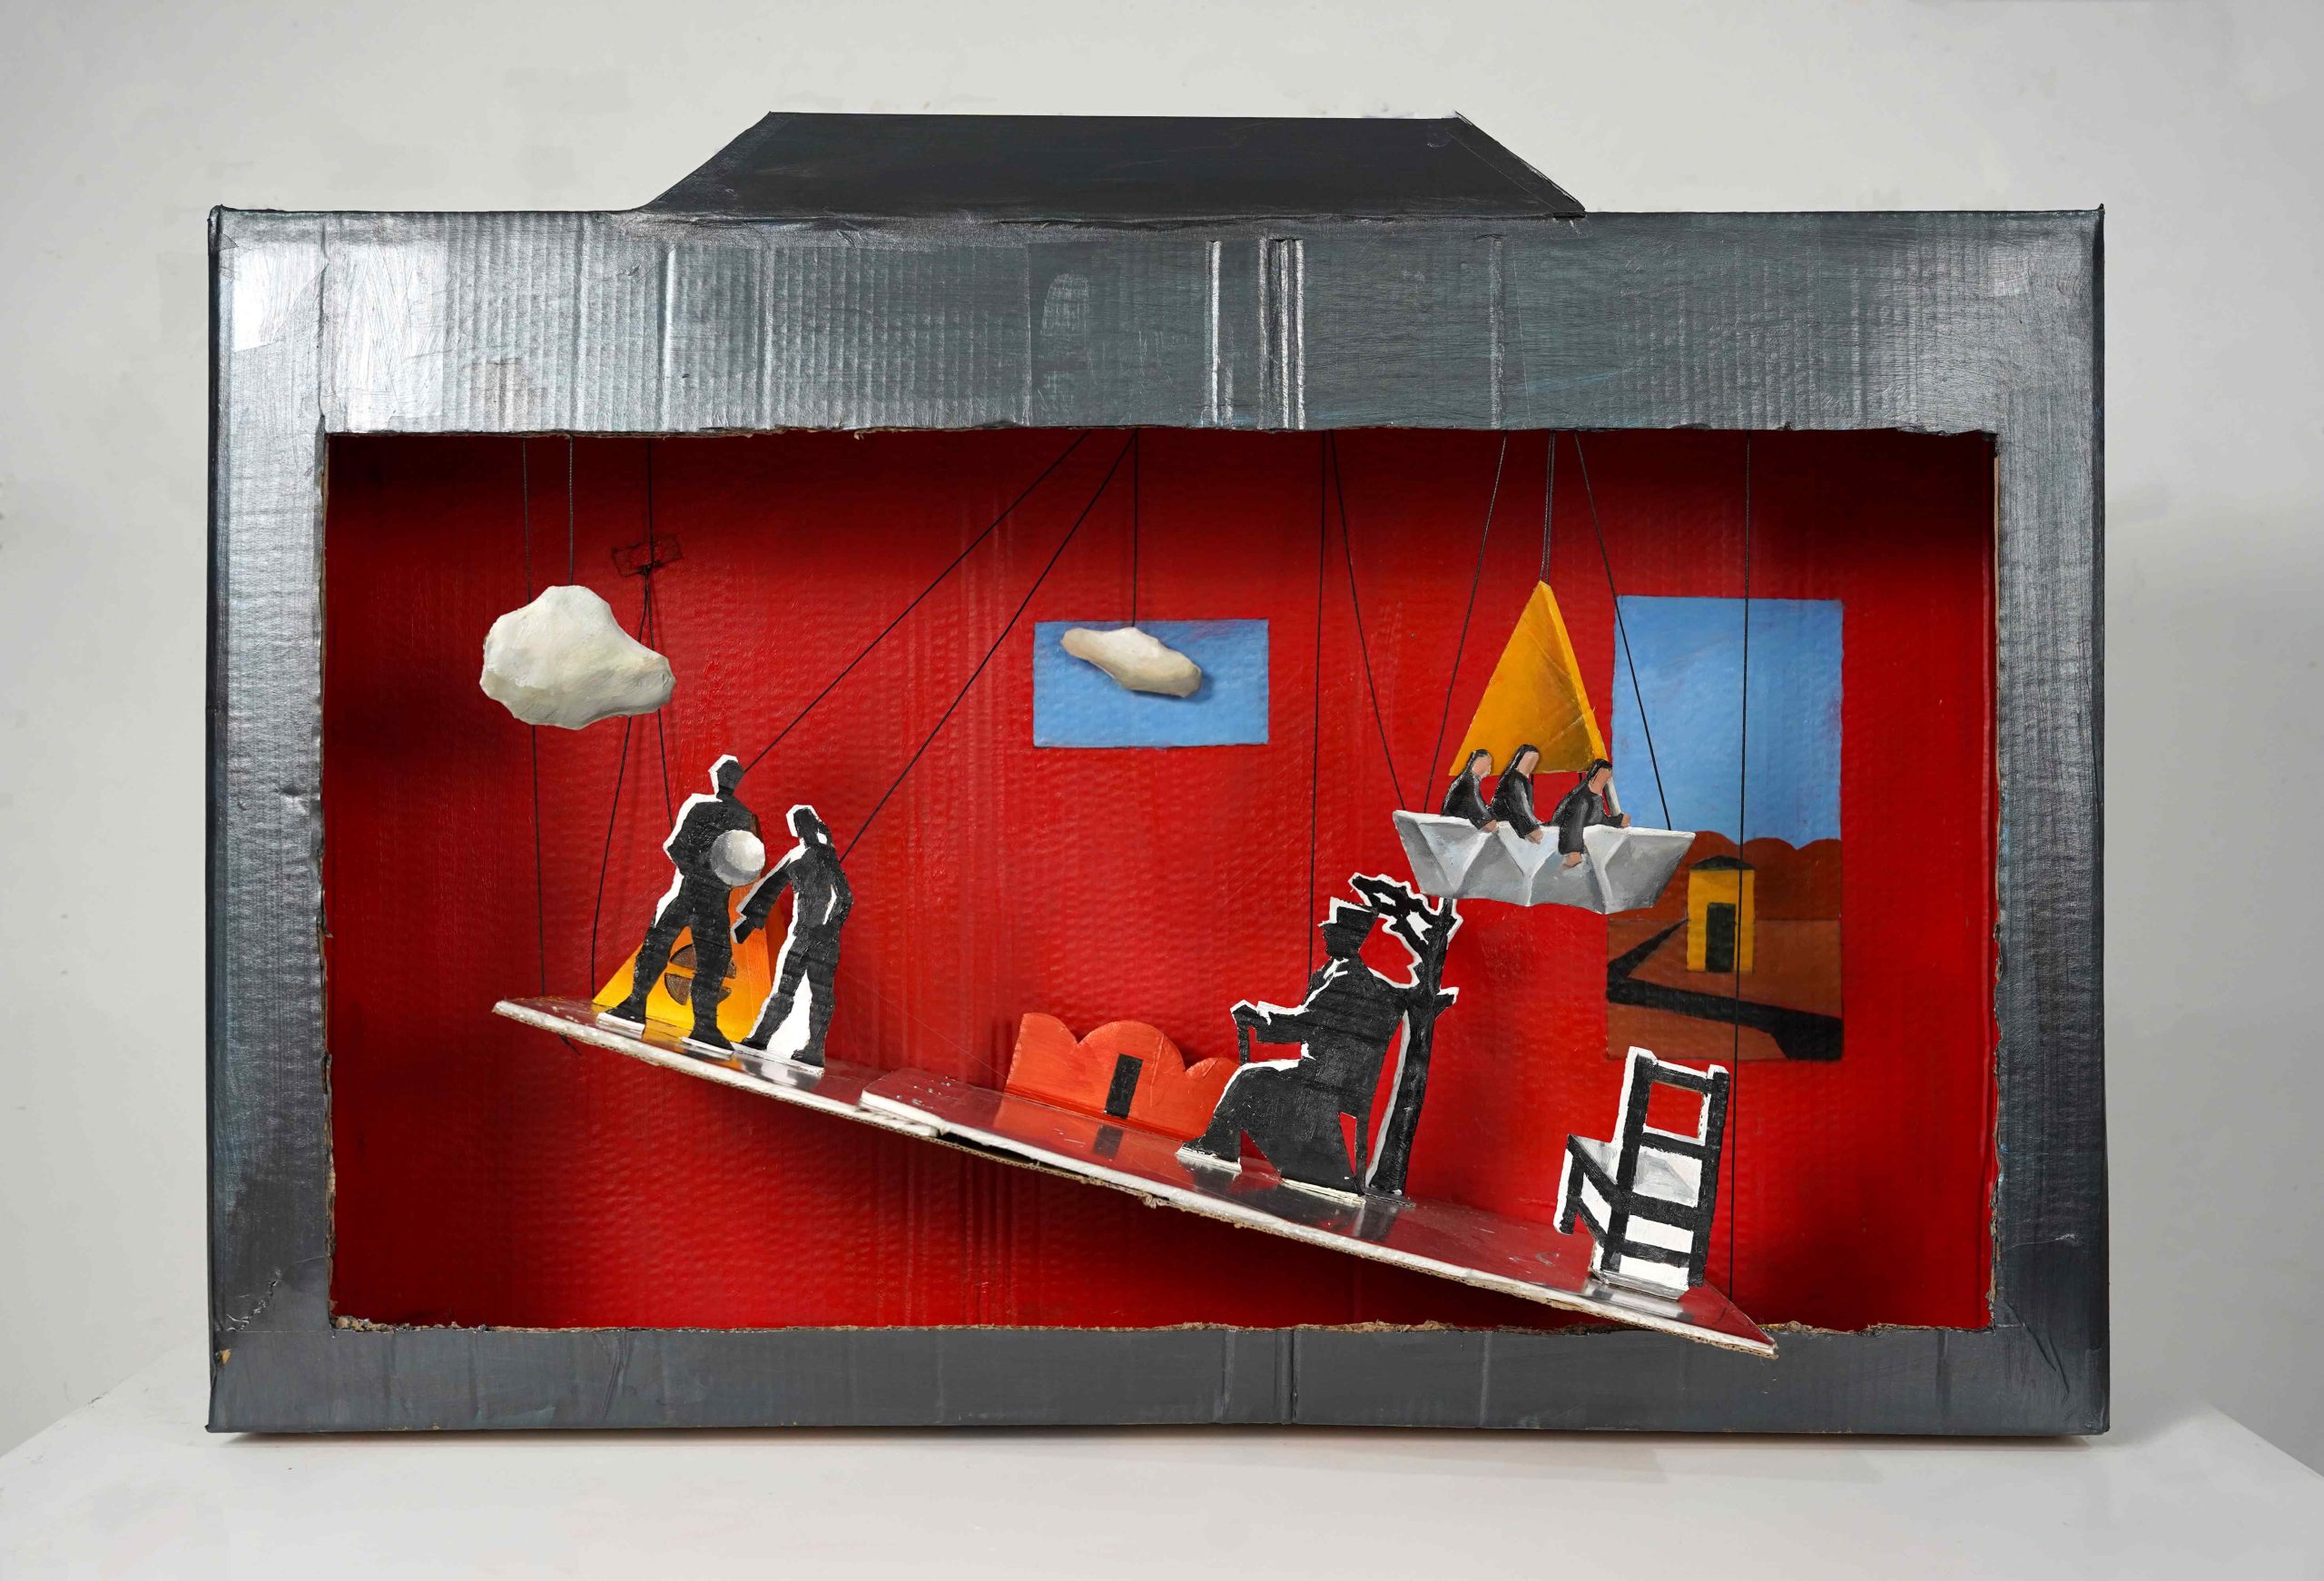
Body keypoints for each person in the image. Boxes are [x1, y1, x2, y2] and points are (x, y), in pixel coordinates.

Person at [1177, 904, 1437, 1195]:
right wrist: (1262, 1018)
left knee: (1250, 1077)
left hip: (1329, 1075)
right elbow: (1308, 1019)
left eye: (1332, 932)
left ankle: (1219, 1145)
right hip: (1322, 1068)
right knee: (1254, 1079)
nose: (1325, 936)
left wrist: (1260, 1018)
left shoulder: (1348, 980)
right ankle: (1226, 1143)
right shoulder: (1334, 972)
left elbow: (1306, 1023)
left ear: (1349, 938)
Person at [602, 755, 758, 1050]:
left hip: (692, 894)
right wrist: (714, 876)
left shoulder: (707, 810)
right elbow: (744, 865)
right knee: (707, 961)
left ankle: (638, 1005)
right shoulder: (741, 818)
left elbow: (678, 848)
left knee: (661, 947)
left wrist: (697, 870)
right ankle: (700, 1024)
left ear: (717, 778)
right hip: (711, 900)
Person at [734, 805, 852, 1068]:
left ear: (811, 826)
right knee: (785, 988)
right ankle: (761, 1038)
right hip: (804, 935)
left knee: (820, 994)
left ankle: (813, 1048)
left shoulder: (824, 856)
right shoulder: (798, 857)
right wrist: (750, 922)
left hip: (822, 939)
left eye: (804, 824)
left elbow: (845, 898)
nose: (801, 829)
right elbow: (771, 887)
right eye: (798, 825)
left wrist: (830, 926)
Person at [1547, 756, 1630, 870]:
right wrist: (1573, 851)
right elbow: (1573, 823)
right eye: (1603, 777)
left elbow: (1600, 819)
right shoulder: (1581, 800)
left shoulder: (1596, 799)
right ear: (1594, 777)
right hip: (1558, 842)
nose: (1605, 782)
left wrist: (1619, 820)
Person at [1488, 744, 1546, 842]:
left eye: (1534, 761)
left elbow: (1526, 807)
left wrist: (1533, 820)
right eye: (1528, 760)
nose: (1530, 764)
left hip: (1513, 821)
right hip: (1502, 822)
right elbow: (1519, 804)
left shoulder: (1524, 780)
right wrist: (1531, 828)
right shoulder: (1515, 779)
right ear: (1519, 760)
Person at [1439, 748, 1500, 830]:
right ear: (1480, 763)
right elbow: (1488, 823)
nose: (1490, 769)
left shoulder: (1467, 779)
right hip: (1454, 830)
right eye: (1489, 764)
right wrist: (1491, 822)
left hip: (1452, 828)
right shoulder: (1469, 782)